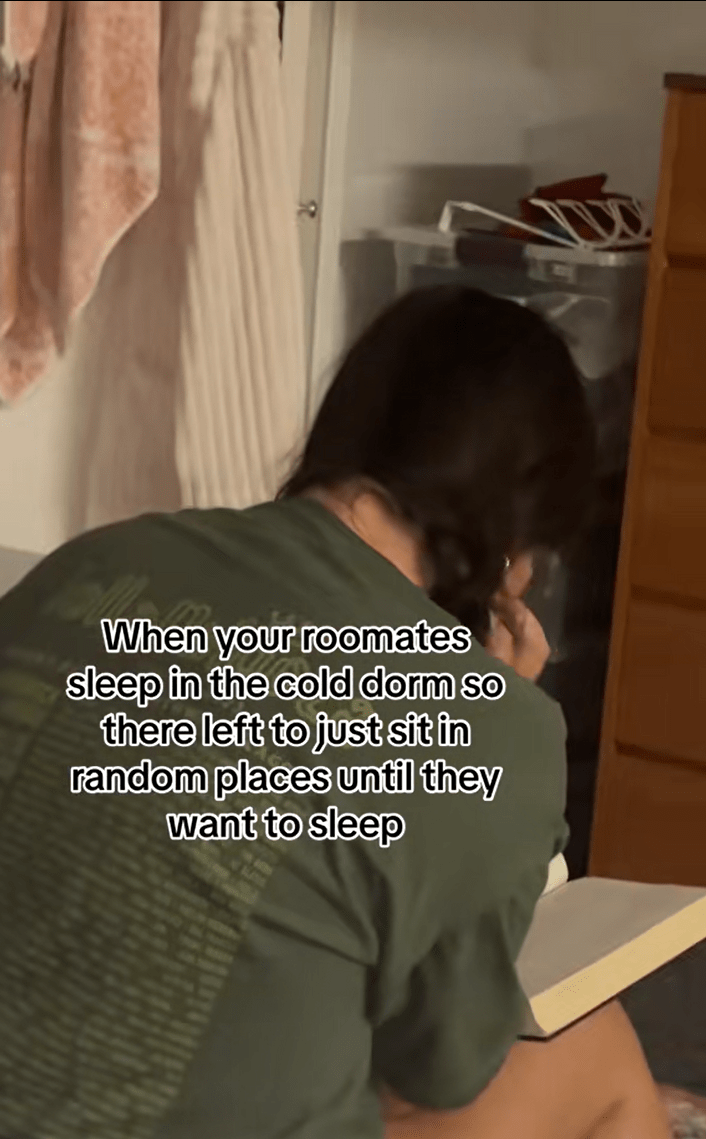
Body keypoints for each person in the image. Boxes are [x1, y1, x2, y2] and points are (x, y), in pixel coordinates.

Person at [0, 285, 703, 1139]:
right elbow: (441, 1065)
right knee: (593, 1051)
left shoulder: (90, 564)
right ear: (516, 547)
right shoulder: (473, 716)